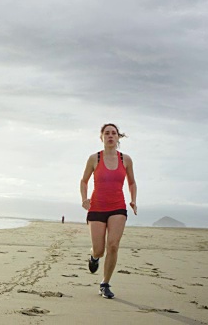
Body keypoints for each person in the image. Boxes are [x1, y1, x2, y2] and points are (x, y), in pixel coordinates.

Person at [80, 123, 137, 299]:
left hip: (118, 207)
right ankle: (94, 257)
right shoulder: (94, 158)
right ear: (102, 137)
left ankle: (104, 284)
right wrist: (84, 199)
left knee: (113, 245)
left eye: (114, 133)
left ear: (118, 137)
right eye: (107, 133)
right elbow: (83, 181)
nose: (110, 136)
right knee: (99, 250)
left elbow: (132, 182)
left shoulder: (125, 160)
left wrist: (133, 200)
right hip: (96, 207)